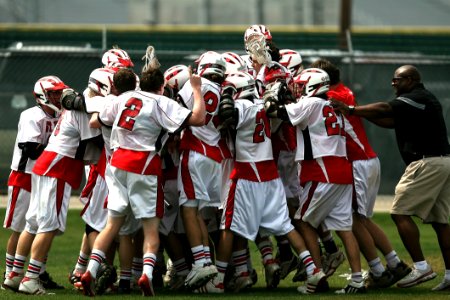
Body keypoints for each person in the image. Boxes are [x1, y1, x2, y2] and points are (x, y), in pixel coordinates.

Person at [80, 67, 206, 297]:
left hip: (117, 163)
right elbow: (198, 118)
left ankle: (90, 270)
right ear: (161, 87)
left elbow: (97, 120)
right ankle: (146, 275)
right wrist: (196, 90)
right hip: (143, 163)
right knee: (150, 227)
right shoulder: (160, 101)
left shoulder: (123, 97)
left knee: (112, 225)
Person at [331, 64, 450, 291]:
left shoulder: (417, 96)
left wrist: (351, 109)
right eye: (394, 79)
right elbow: (390, 121)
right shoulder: (419, 101)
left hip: (428, 162)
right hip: (442, 161)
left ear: (413, 80)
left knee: (399, 213)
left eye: (399, 79)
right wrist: (358, 115)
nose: (393, 83)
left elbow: (385, 108)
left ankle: (421, 267)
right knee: (440, 222)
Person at [311, 58, 411, 289]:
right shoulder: (342, 91)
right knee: (361, 219)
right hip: (364, 160)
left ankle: (379, 269)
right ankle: (394, 264)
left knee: (353, 219)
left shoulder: (334, 97)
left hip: (358, 162)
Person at [264, 68, 365, 294]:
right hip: (341, 169)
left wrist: (270, 97)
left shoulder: (311, 104)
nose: (298, 89)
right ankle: (357, 279)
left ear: (313, 85)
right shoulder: (333, 105)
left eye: (301, 85)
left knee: (302, 221)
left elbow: (275, 112)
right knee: (344, 228)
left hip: (322, 170)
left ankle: (316, 276)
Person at [2, 76, 66, 292]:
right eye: (53, 93)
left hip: (45, 176)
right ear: (42, 95)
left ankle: (38, 272)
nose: (57, 97)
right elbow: (31, 149)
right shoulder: (31, 115)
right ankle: (10, 272)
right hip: (25, 175)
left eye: (59, 92)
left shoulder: (62, 116)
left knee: (41, 226)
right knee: (20, 228)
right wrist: (59, 147)